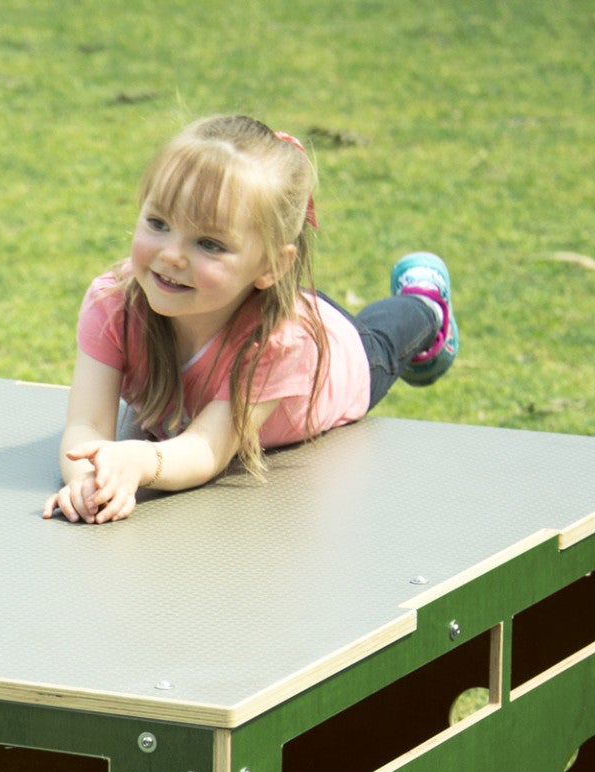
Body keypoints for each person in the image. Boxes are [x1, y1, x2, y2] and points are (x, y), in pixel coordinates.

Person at [45, 114, 458, 524]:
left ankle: (426, 305)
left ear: (272, 265)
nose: (171, 254)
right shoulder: (113, 304)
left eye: (209, 243)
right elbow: (85, 425)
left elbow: (206, 450)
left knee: (383, 341)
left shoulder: (279, 344)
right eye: (158, 223)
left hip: (340, 360)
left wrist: (140, 461)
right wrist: (87, 480)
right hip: (269, 307)